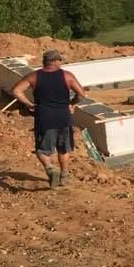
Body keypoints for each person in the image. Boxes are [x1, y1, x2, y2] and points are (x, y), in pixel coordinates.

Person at [10, 50, 87, 189]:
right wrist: (72, 103)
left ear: (44, 62)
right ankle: (64, 176)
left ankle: (51, 170)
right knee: (63, 149)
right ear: (57, 61)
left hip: (44, 117)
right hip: (64, 117)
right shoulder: (67, 75)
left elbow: (16, 90)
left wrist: (29, 104)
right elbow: (81, 94)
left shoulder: (34, 76)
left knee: (42, 150)